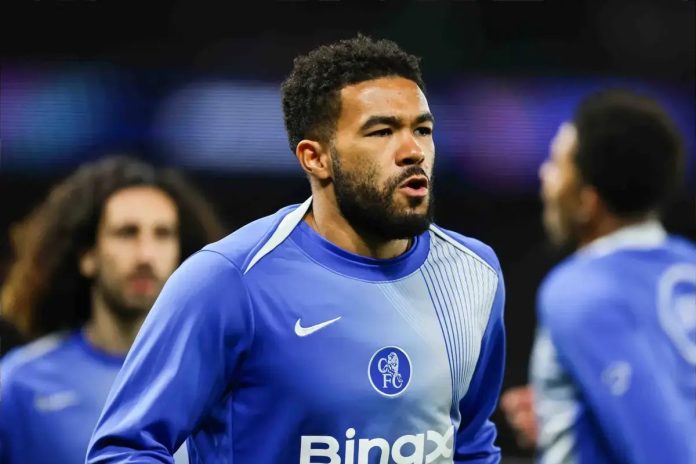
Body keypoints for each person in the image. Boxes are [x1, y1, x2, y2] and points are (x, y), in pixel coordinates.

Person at [87, 35, 507, 463]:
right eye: (382, 131)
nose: (413, 151)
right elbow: (123, 450)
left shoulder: (473, 274)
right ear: (315, 158)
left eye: (422, 130)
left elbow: (471, 446)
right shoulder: (230, 280)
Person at [502, 89, 695, 463]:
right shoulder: (688, 264)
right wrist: (568, 417)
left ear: (587, 203)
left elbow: (662, 449)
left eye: (556, 164)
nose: (544, 176)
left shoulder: (580, 289)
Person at [0, 156, 224, 464]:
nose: (146, 255)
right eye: (127, 233)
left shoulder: (219, 379)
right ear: (87, 255)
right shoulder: (19, 383)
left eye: (162, 234)